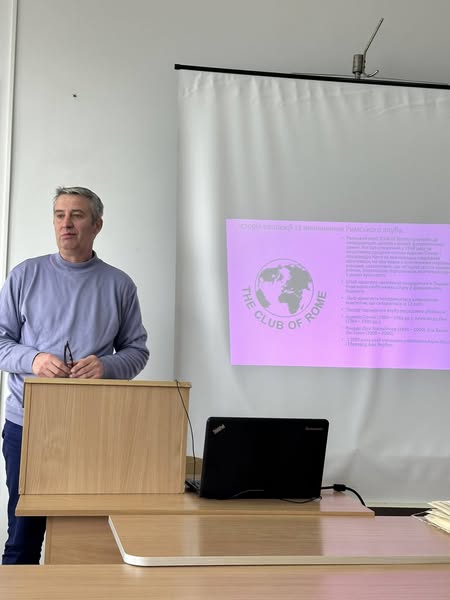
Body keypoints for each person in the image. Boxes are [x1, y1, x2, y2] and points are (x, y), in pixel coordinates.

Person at [0, 186, 149, 564]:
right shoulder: (24, 275)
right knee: (22, 540)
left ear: (97, 225)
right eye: (59, 215)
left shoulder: (119, 284)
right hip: (28, 427)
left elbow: (137, 352)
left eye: (77, 215)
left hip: (93, 429)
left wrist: (107, 366)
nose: (66, 223)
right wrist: (33, 360)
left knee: (85, 542)